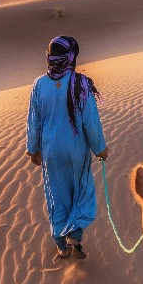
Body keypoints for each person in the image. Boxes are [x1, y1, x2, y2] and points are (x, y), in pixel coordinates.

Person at [26, 35, 109, 260]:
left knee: (57, 195)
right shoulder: (81, 83)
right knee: (82, 191)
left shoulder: (39, 85)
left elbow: (33, 122)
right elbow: (90, 122)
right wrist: (100, 148)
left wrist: (33, 149)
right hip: (76, 151)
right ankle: (75, 234)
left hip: (51, 150)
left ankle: (61, 246)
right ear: (72, 57)